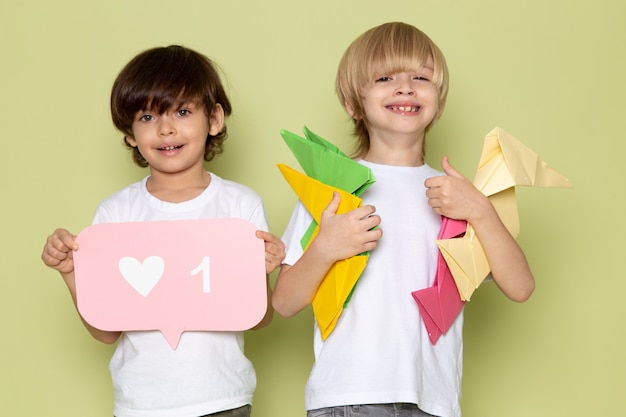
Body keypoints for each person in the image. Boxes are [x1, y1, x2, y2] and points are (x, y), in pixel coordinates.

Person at [272, 22, 535, 417]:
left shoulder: (458, 197)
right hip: (346, 397)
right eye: (384, 78)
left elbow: (520, 287)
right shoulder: (332, 192)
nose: (405, 87)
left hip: (433, 400)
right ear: (353, 104)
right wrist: (326, 247)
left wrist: (481, 210)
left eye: (420, 77)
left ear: (438, 102)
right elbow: (285, 302)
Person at [41, 45, 285, 417]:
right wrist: (71, 272)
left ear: (215, 119)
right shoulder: (116, 212)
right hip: (141, 404)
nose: (166, 128)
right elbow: (106, 332)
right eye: (147, 116)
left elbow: (259, 319)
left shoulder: (240, 205)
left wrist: (262, 270)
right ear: (130, 133)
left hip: (223, 399)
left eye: (183, 111)